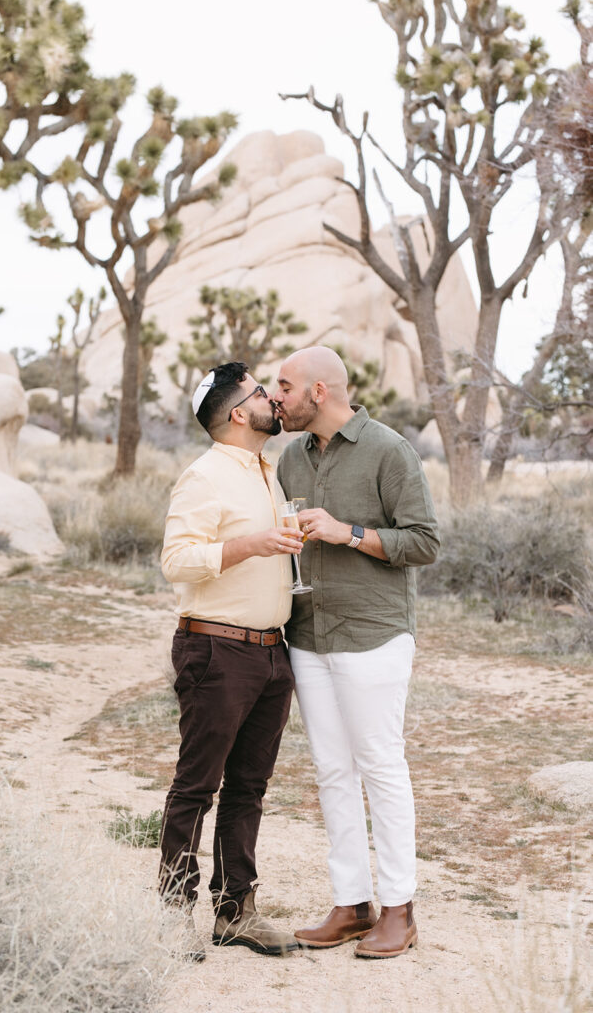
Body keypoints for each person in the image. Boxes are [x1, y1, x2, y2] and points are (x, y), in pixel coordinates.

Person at [274, 345, 440, 958]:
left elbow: (425, 542)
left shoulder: (389, 450)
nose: (277, 397)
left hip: (373, 633)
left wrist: (350, 533)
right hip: (309, 633)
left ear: (319, 391)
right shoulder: (292, 457)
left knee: (380, 766)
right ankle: (351, 904)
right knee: (331, 770)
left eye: (286, 386)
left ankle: (400, 909)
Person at [159, 361, 302, 961]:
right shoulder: (205, 477)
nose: (272, 398)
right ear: (239, 412)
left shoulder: (267, 472)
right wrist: (254, 544)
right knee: (198, 787)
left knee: (249, 788)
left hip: (271, 654)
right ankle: (172, 915)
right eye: (261, 392)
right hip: (215, 650)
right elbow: (176, 560)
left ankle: (234, 912)